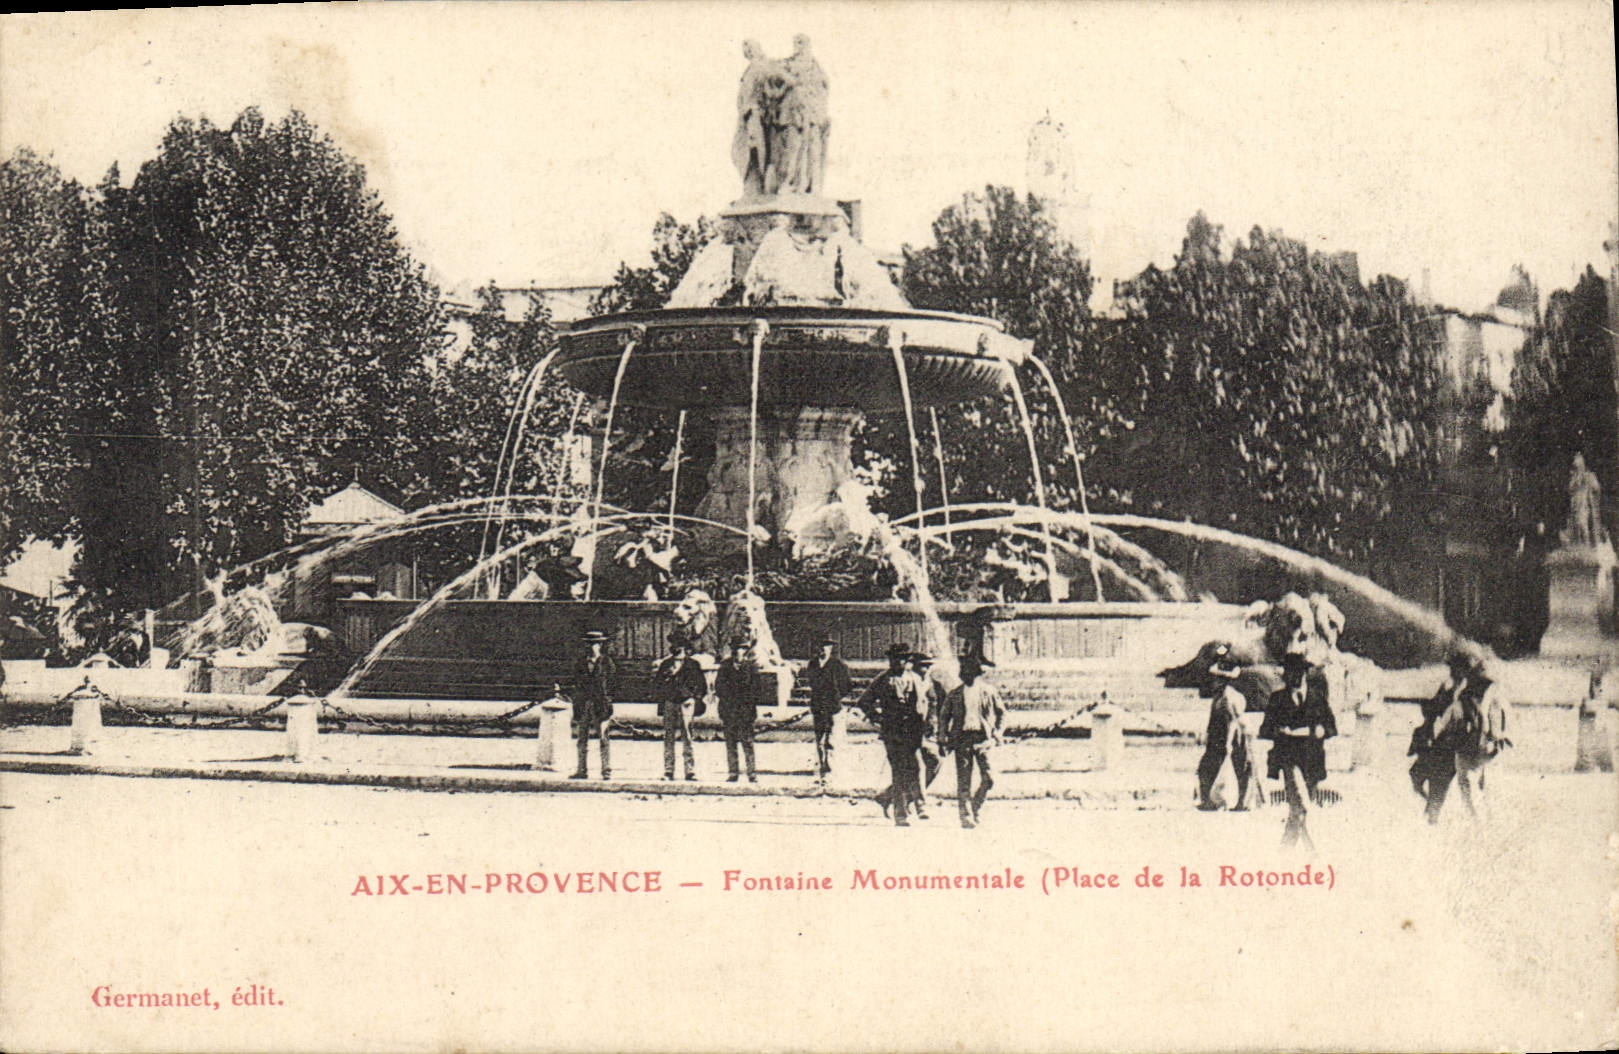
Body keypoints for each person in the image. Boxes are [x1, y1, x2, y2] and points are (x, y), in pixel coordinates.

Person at [1259, 650, 1336, 848]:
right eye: (1290, 673)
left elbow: (1331, 727)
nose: (1294, 677)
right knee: (1301, 805)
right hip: (1289, 760)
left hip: (1312, 760)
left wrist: (1320, 730)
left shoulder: (1317, 697)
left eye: (1298, 673)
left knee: (1298, 811)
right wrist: (1281, 730)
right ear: (1285, 674)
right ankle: (1311, 852)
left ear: (1305, 673)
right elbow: (1265, 730)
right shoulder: (1277, 699)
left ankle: (1287, 852)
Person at [1433, 651, 1511, 819]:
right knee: (1487, 783)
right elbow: (1508, 720)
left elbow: (1443, 724)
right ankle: (1490, 817)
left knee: (1465, 782)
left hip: (1464, 748)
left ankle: (1474, 818)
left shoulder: (1460, 701)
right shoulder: (1497, 698)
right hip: (1490, 746)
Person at [857, 642, 929, 826]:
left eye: (902, 659)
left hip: (912, 730)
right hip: (892, 731)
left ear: (907, 661)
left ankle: (921, 805)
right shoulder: (882, 680)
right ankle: (900, 813)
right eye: (894, 659)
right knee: (898, 772)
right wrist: (878, 717)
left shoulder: (914, 679)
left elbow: (922, 704)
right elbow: (864, 702)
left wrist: (923, 724)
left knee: (918, 766)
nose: (897, 662)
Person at [940, 655, 1005, 828]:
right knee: (964, 781)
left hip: (982, 739)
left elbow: (1002, 713)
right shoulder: (955, 694)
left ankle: (975, 807)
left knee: (989, 778)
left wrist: (997, 732)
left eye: (970, 672)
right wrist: (943, 735)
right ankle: (966, 816)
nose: (967, 675)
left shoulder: (988, 692)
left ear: (977, 674)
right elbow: (944, 716)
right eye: (964, 672)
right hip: (962, 739)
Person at [1193, 645, 1260, 811]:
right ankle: (1218, 800)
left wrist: (1227, 744)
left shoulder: (1228, 695)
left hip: (1229, 738)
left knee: (1238, 766)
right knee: (1212, 767)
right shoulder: (1220, 696)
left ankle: (1240, 802)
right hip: (1221, 738)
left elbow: (1231, 722)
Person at [1409, 652, 1468, 824]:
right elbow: (1433, 709)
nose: (1452, 672)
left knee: (1439, 782)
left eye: (1455, 669)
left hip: (1452, 744)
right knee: (1416, 775)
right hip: (1437, 740)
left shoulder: (1465, 692)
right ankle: (1431, 807)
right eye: (1451, 669)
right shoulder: (1447, 688)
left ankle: (1433, 815)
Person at [655, 634, 708, 782]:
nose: (675, 648)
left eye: (679, 645)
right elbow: (657, 684)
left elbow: (701, 686)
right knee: (668, 737)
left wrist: (692, 697)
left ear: (684, 648)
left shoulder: (693, 664)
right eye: (673, 645)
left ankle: (690, 771)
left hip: (686, 703)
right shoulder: (666, 664)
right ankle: (668, 770)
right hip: (670, 702)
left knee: (688, 737)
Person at [801, 635, 851, 784]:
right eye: (821, 646)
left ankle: (829, 767)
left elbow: (846, 686)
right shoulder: (812, 664)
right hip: (818, 706)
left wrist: (835, 696)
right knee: (819, 738)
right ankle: (822, 764)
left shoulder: (838, 665)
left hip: (833, 707)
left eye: (826, 646)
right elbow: (812, 683)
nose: (823, 649)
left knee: (830, 739)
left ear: (831, 649)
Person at [715, 631, 762, 783]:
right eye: (735, 648)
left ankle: (751, 772)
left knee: (747, 743)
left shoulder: (751, 667)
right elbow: (719, 687)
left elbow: (756, 689)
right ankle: (733, 772)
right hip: (729, 710)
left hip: (745, 711)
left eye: (741, 648)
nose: (737, 652)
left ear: (745, 651)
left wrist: (747, 704)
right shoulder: (725, 666)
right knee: (730, 743)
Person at [570, 629, 616, 780]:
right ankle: (581, 769)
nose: (592, 647)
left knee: (603, 738)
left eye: (595, 644)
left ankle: (606, 770)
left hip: (600, 705)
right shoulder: (580, 663)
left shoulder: (607, 662)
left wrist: (608, 701)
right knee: (582, 739)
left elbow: (613, 684)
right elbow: (576, 683)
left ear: (600, 645)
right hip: (583, 704)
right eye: (589, 644)